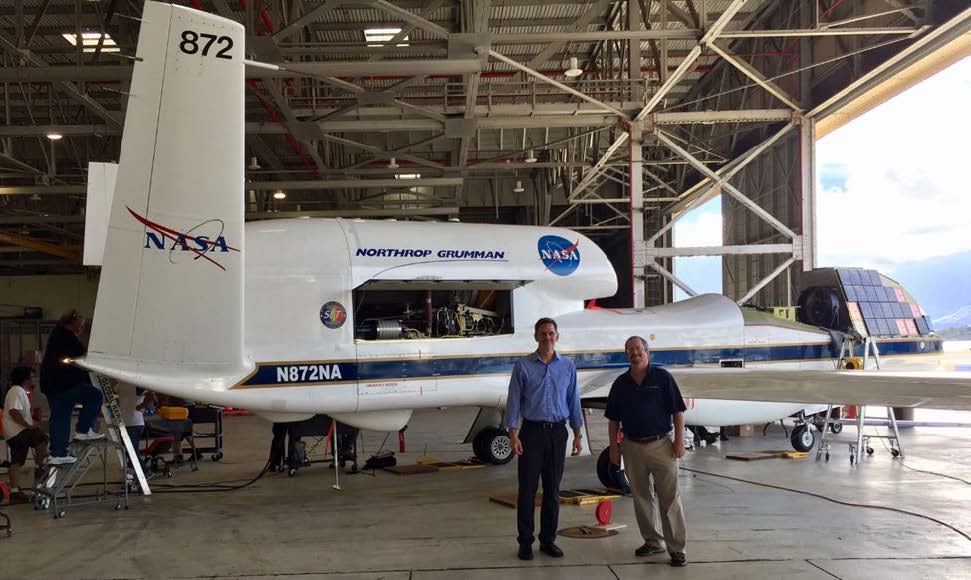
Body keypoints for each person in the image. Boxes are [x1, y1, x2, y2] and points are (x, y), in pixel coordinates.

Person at [505, 317, 583, 561]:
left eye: (551, 333)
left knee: (552, 489)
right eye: (543, 333)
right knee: (527, 490)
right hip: (531, 433)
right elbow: (514, 401)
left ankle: (548, 540)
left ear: (556, 337)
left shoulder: (568, 366)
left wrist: (577, 433)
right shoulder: (523, 366)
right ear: (536, 337)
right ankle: (525, 542)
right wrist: (513, 434)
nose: (547, 337)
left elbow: (574, 401)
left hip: (558, 433)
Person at [606, 336, 688, 567]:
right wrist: (614, 448)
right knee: (641, 498)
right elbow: (613, 420)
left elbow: (678, 411)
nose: (635, 353)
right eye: (630, 350)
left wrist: (679, 441)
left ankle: (677, 548)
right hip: (631, 447)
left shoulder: (662, 378)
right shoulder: (621, 383)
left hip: (662, 445)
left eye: (638, 349)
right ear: (626, 355)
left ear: (647, 351)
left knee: (670, 498)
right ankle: (653, 541)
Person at [40, 309, 104, 465]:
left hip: (52, 386)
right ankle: (83, 429)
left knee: (60, 418)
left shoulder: (57, 335)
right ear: (72, 322)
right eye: (80, 325)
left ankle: (58, 453)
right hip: (65, 384)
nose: (81, 328)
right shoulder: (67, 337)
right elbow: (82, 354)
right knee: (95, 396)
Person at [2, 366, 49, 504]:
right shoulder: (16, 390)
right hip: (18, 431)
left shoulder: (20, 391)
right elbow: (14, 412)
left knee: (17, 462)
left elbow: (19, 412)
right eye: (32, 377)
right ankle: (39, 467)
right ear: (25, 379)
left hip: (14, 433)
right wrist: (28, 425)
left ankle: (14, 492)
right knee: (42, 438)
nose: (34, 379)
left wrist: (34, 416)